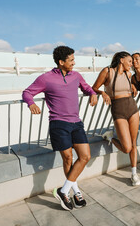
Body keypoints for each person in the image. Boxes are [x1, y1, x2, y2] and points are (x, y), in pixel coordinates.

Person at [22, 46, 98, 211]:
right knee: (68, 158)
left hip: (76, 123)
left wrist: (92, 93)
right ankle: (75, 191)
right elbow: (27, 92)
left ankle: (63, 191)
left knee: (85, 156)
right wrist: (31, 103)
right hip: (58, 124)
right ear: (61, 62)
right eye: (71, 60)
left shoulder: (76, 75)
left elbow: (87, 88)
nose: (74, 62)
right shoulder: (45, 78)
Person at [92, 51, 140, 186]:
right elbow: (94, 87)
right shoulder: (107, 72)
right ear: (121, 60)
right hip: (118, 110)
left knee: (134, 143)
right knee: (126, 148)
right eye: (130, 61)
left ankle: (134, 173)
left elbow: (126, 85)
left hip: (132, 108)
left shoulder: (128, 74)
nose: (132, 64)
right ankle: (110, 137)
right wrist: (103, 93)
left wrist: (132, 86)